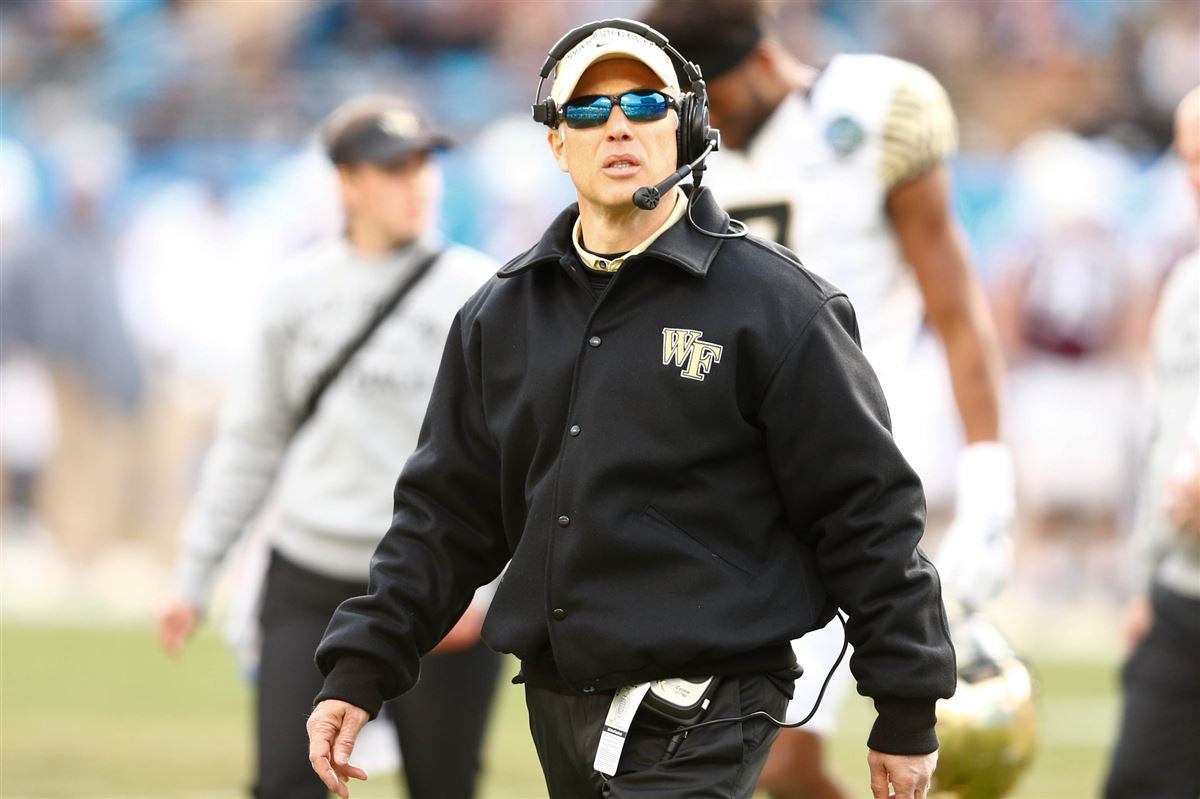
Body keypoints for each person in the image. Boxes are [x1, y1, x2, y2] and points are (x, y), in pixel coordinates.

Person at [306, 20, 954, 799]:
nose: (618, 125)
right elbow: (446, 518)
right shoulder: (500, 314)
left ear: (684, 130)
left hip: (712, 702)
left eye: (646, 103)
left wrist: (907, 699)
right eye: (588, 109)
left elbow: (866, 511)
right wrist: (362, 663)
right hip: (559, 698)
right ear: (557, 143)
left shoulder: (782, 306)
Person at [639, 3, 1011, 797]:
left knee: (784, 746)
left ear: (759, 61)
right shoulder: (676, 157)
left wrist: (989, 477)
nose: (707, 125)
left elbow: (957, 308)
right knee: (765, 750)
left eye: (712, 101)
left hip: (852, 476)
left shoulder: (877, 112)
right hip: (736, 480)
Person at [155, 96, 502, 799]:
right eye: (394, 168)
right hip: (309, 577)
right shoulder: (296, 293)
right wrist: (194, 574)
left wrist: (484, 587)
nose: (418, 183)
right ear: (346, 182)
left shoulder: (482, 291)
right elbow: (249, 443)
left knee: (444, 786)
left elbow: (510, 454)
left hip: (435, 587)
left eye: (425, 165)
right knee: (288, 782)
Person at [1103, 85, 1200, 799]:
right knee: (1140, 778)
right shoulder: (1188, 286)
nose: (1194, 179)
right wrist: (1145, 580)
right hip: (1183, 592)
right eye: (1189, 159)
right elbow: (1164, 437)